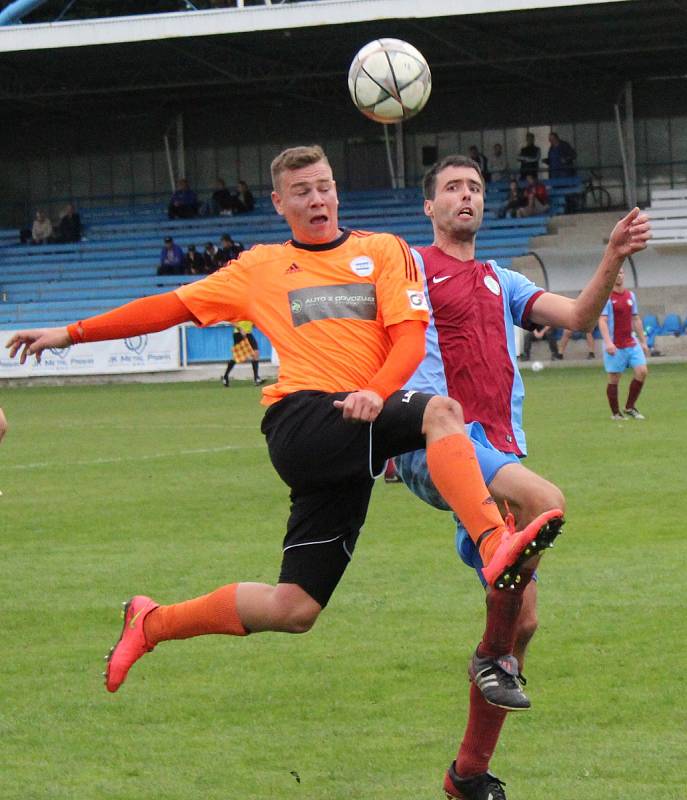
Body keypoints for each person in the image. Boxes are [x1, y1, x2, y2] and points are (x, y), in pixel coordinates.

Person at [6, 143, 563, 763]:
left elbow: (408, 341)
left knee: (295, 607)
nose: (317, 199)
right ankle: (494, 546)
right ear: (279, 204)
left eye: (324, 187)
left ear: (336, 192)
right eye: (301, 192)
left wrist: (376, 393)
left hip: (357, 428)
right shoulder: (261, 267)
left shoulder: (385, 252)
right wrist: (70, 333)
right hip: (302, 419)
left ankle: (151, 622)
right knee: (440, 411)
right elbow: (168, 309)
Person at [391, 155, 650, 800]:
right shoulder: (410, 269)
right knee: (547, 500)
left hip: (498, 452)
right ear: (430, 207)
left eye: (475, 188)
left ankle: (468, 773)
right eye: (452, 188)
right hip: (443, 441)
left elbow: (579, 318)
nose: (466, 197)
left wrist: (613, 253)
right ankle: (490, 661)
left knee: (523, 622)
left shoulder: (500, 280)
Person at [598, 266, 650, 420]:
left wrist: (643, 341)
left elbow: (636, 318)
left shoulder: (630, 296)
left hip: (631, 343)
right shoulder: (607, 297)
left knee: (642, 371)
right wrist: (608, 343)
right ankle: (615, 414)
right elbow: (602, 320)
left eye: (621, 273)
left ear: (624, 275)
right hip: (615, 344)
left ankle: (629, 407)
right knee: (614, 379)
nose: (619, 276)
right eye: (616, 273)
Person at [221, 320, 264, 386]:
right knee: (237, 357)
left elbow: (251, 322)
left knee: (256, 353)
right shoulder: (239, 310)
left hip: (248, 333)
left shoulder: (251, 311)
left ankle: (256, 378)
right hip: (238, 333)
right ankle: (225, 376)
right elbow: (232, 321)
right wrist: (240, 329)